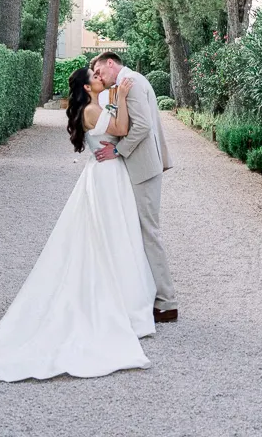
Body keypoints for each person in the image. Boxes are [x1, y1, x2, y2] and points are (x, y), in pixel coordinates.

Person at [0, 65, 156, 381]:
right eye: (94, 78)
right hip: (105, 178)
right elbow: (120, 126)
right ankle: (121, 305)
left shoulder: (94, 106)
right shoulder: (92, 110)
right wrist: (122, 92)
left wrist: (116, 96)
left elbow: (116, 122)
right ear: (87, 89)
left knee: (118, 233)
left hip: (109, 175)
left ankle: (128, 298)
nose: (99, 78)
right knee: (110, 235)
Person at [90, 53, 178, 323]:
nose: (99, 77)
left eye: (99, 71)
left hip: (143, 168)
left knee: (149, 232)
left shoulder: (132, 82)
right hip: (141, 167)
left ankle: (167, 301)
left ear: (110, 63)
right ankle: (148, 294)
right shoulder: (126, 84)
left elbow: (142, 126)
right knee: (138, 231)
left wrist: (118, 149)